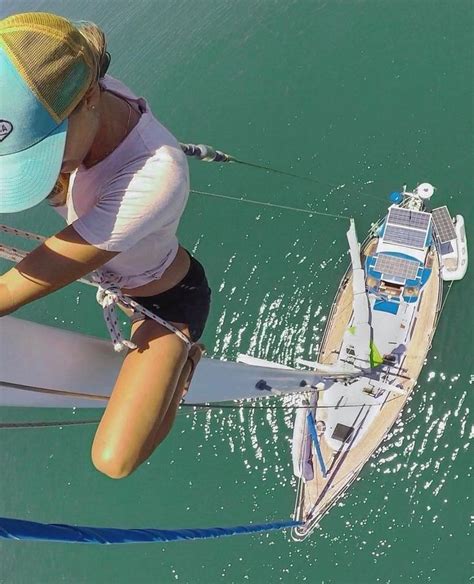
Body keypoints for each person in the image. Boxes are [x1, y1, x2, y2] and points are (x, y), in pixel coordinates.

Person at [0, 12, 211, 479]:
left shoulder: (155, 177)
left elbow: (14, 289)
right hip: (123, 268)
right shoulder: (79, 84)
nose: (47, 167)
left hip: (168, 303)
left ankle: (185, 362)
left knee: (114, 462)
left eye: (45, 153)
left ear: (91, 98)